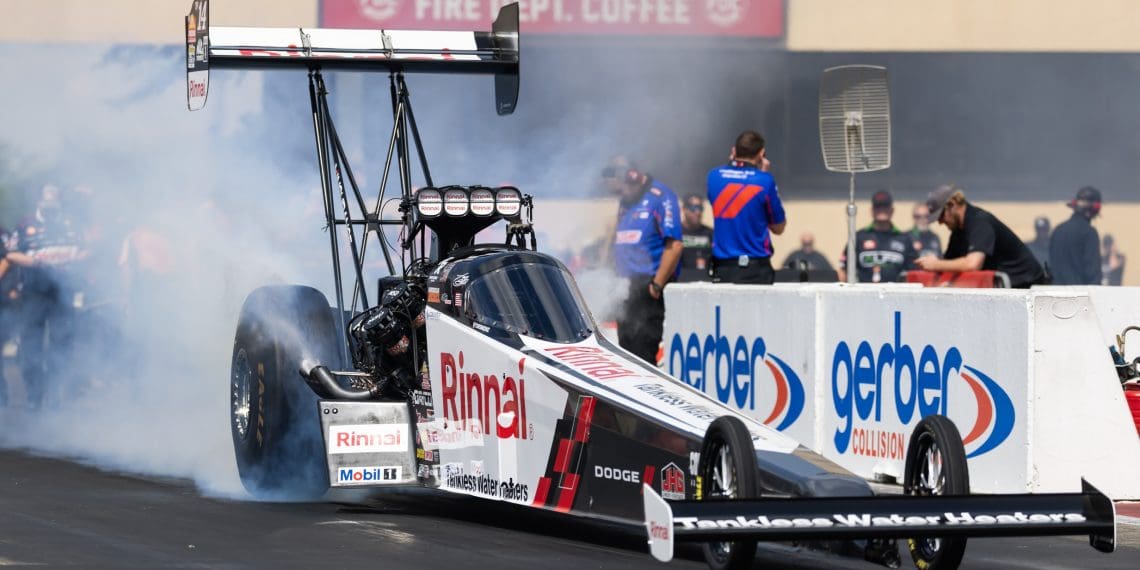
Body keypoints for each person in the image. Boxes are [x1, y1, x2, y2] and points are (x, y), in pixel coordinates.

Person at [4, 185, 88, 407]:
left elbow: (86, 250)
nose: (51, 204)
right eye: (46, 200)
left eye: (55, 199)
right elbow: (10, 253)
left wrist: (73, 258)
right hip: (34, 293)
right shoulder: (25, 224)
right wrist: (36, 261)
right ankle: (34, 396)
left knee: (61, 345)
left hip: (63, 292)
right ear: (39, 201)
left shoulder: (71, 223)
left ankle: (55, 395)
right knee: (31, 345)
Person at [604, 155, 683, 365]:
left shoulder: (661, 196)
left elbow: (674, 245)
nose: (621, 193)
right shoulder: (626, 201)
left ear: (634, 178)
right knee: (625, 352)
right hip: (625, 287)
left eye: (623, 188)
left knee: (643, 354)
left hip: (647, 287)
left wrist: (656, 285)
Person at [915, 184, 1045, 288]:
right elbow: (948, 264)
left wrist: (936, 264)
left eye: (941, 216)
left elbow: (972, 264)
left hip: (1028, 289)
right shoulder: (958, 232)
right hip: (1008, 290)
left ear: (952, 205)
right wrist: (932, 264)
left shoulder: (980, 222)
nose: (940, 222)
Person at [707, 130, 786, 284]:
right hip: (755, 268)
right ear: (761, 154)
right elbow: (778, 228)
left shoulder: (713, 176)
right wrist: (762, 173)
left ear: (733, 151)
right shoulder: (765, 181)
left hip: (723, 267)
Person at [837, 190, 916, 283]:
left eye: (885, 206)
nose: (881, 210)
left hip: (895, 294)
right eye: (878, 206)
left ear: (892, 210)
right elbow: (843, 270)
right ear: (872, 211)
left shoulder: (904, 239)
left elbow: (914, 271)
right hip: (863, 293)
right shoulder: (858, 237)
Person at [1049, 186, 1103, 286]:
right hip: (1079, 296)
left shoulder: (1058, 230)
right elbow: (1093, 273)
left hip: (1055, 293)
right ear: (1095, 209)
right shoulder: (1089, 233)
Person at [677, 193, 713, 282]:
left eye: (700, 208)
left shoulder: (710, 233)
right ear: (684, 209)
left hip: (705, 281)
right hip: (681, 283)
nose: (698, 212)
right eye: (693, 208)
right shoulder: (676, 233)